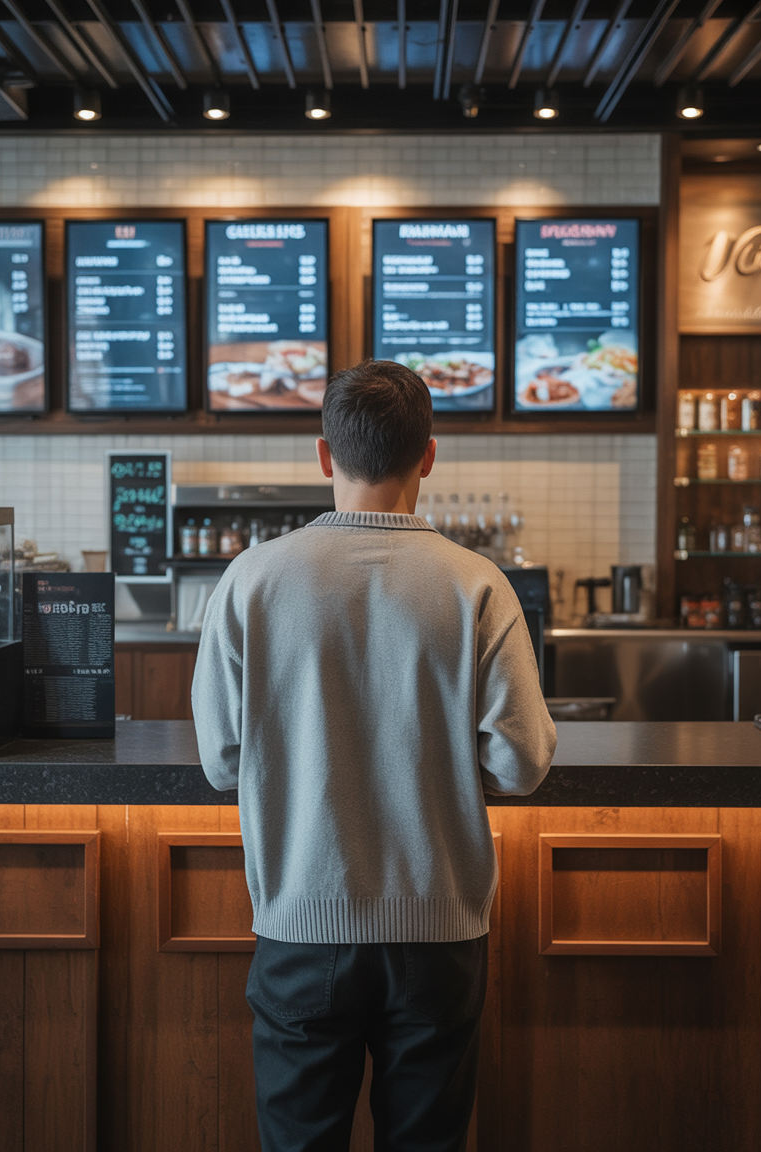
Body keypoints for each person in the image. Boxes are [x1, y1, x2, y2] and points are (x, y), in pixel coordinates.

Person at [192, 359, 556, 1152]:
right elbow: (522, 764)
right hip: (439, 935)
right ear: (429, 455)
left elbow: (222, 762)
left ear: (324, 455)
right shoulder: (478, 586)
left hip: (300, 927)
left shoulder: (250, 581)